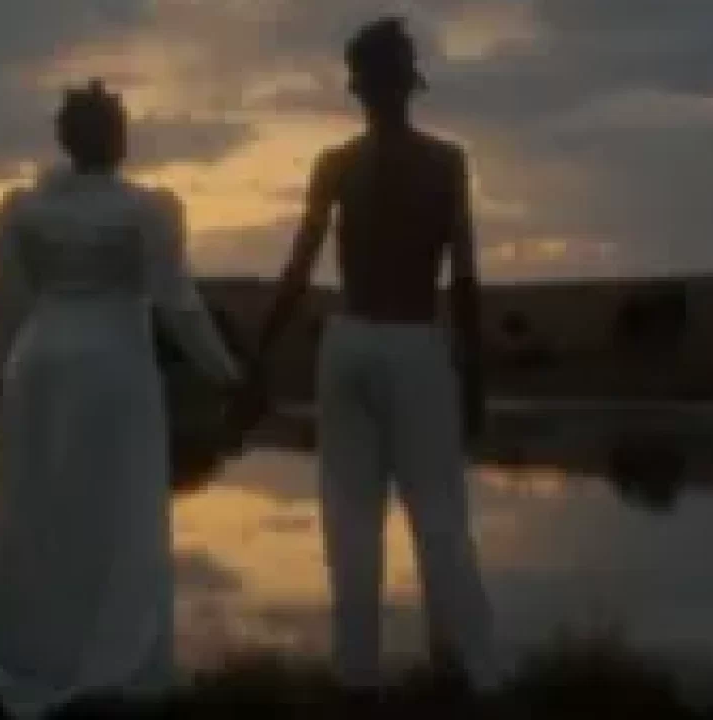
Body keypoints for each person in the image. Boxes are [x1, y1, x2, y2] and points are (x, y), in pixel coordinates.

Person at [240, 16, 497, 693]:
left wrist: (258, 353)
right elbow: (464, 276)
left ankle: (358, 674)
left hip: (349, 344)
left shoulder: (337, 164)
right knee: (438, 514)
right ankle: (465, 667)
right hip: (414, 346)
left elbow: (299, 268)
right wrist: (474, 376)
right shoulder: (445, 162)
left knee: (351, 518)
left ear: (357, 86)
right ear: (410, 83)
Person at [0, 79, 240, 717]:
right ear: (114, 137)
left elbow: (6, 305)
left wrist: (12, 374)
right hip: (114, 368)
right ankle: (113, 658)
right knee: (117, 508)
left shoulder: (22, 210)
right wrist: (228, 374)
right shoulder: (146, 211)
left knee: (45, 511)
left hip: (38, 365)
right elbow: (178, 303)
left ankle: (43, 652)